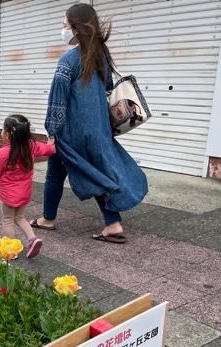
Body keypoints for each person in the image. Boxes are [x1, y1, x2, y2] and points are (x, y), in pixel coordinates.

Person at [32, 3, 148, 244]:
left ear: (75, 30)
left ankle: (52, 219)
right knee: (84, 171)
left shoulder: (67, 61)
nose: (62, 29)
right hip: (97, 131)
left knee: (64, 175)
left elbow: (57, 101)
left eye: (64, 25)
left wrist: (52, 132)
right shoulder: (100, 56)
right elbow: (106, 90)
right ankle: (105, 222)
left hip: (71, 133)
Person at [0, 114, 55, 258]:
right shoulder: (31, 146)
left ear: (8, 135)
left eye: (3, 130)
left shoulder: (3, 154)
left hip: (8, 195)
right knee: (20, 217)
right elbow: (48, 150)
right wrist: (51, 143)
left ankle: (10, 251)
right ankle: (33, 239)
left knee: (8, 220)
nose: (1, 132)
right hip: (24, 193)